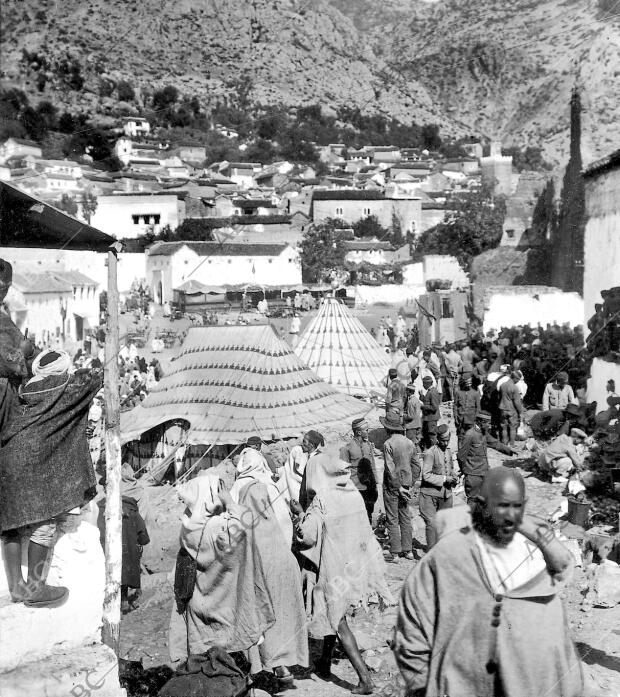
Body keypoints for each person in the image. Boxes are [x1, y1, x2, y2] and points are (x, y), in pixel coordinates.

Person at [393, 468, 583, 697]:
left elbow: (563, 571)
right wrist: (425, 686)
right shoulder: (448, 555)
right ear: (482, 505)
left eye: (517, 506)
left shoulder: (532, 551)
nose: (511, 516)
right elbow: (412, 629)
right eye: (503, 505)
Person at [0, 350, 101, 607]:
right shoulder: (64, 387)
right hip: (34, 463)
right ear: (61, 369)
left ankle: (17, 587)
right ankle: (36, 588)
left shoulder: (25, 389)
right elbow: (93, 378)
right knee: (43, 522)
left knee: (10, 525)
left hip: (7, 458)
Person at [292, 453, 393, 695]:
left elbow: (308, 537)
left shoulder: (322, 500)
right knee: (335, 613)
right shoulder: (352, 492)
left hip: (333, 566)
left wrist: (298, 515)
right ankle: (325, 664)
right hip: (354, 564)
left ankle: (365, 679)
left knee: (337, 619)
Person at [169, 472, 275, 663]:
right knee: (228, 659)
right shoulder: (218, 527)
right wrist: (230, 502)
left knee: (204, 655)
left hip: (199, 600)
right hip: (223, 602)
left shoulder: (189, 525)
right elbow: (247, 522)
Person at [230, 450, 308, 687]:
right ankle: (283, 663)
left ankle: (258, 666)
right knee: (284, 614)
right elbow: (284, 522)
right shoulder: (269, 488)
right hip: (284, 556)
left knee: (259, 613)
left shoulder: (238, 491)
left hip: (258, 563)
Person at [381, 411, 420, 562]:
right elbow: (416, 466)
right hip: (406, 485)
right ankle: (408, 550)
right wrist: (408, 484)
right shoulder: (409, 443)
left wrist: (397, 487)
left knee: (392, 518)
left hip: (392, 486)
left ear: (388, 429)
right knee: (405, 517)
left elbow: (390, 469)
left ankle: (395, 552)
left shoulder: (388, 444)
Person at [457, 412, 514, 503]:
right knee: (473, 500)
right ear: (481, 422)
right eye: (488, 423)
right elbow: (461, 456)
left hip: (484, 472)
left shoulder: (483, 433)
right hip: (473, 475)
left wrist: (509, 450)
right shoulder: (470, 435)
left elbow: (494, 443)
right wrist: (465, 472)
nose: (490, 426)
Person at [418, 424, 456, 550]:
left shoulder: (449, 452)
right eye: (443, 441)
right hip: (429, 494)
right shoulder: (430, 453)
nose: (445, 443)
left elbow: (450, 468)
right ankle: (430, 552)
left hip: (446, 494)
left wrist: (453, 476)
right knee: (431, 524)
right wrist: (445, 479)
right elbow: (426, 475)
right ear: (437, 440)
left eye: (447, 441)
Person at [120, 464, 149, 614]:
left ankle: (123, 598)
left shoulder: (114, 488)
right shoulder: (140, 490)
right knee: (134, 561)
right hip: (134, 528)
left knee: (121, 563)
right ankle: (136, 595)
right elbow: (143, 513)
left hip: (118, 531)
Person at [339, 418, 378, 524]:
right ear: (359, 432)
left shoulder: (368, 446)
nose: (368, 432)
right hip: (355, 487)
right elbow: (343, 470)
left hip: (369, 486)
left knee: (368, 513)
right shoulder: (347, 448)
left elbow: (372, 464)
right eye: (366, 430)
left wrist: (376, 482)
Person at [279, 430, 324, 509]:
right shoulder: (312, 458)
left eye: (304, 442)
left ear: (311, 445)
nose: (302, 444)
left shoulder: (315, 460)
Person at [453, 376, 481, 447]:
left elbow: (478, 408)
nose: (468, 384)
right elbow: (455, 406)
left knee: (470, 437)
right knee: (460, 437)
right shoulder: (458, 393)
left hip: (471, 420)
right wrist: (455, 418)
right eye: (467, 383)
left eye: (470, 383)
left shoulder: (475, 393)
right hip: (460, 420)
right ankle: (460, 453)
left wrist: (476, 419)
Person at [498, 371, 524, 446]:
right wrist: (520, 412)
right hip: (511, 409)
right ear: (515, 378)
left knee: (504, 427)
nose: (518, 381)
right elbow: (517, 402)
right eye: (518, 379)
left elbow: (499, 397)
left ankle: (504, 443)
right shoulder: (514, 388)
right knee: (513, 427)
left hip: (502, 408)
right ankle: (512, 444)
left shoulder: (502, 385)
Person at [420, 376, 440, 449]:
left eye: (423, 383)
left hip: (431, 418)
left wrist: (423, 407)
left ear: (427, 384)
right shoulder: (430, 391)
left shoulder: (432, 392)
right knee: (426, 434)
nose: (423, 385)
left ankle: (434, 451)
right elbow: (428, 401)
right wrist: (422, 397)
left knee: (432, 434)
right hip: (428, 418)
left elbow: (434, 407)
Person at [404, 383, 422, 450]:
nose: (406, 392)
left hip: (411, 426)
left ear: (409, 391)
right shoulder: (416, 400)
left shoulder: (410, 402)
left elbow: (410, 416)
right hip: (418, 424)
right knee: (416, 443)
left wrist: (402, 415)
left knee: (411, 445)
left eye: (406, 391)